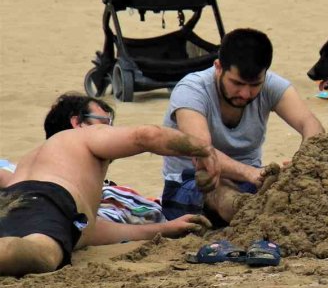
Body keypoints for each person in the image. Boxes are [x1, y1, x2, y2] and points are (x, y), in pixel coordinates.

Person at [0, 94, 219, 277]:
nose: (111, 129)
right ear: (78, 122)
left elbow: (86, 231)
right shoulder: (84, 136)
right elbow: (146, 135)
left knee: (24, 246)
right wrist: (203, 149)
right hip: (52, 197)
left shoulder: (35, 159)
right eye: (105, 121)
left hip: (10, 201)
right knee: (43, 254)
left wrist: (164, 229)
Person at [161, 27, 324, 225]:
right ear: (218, 67)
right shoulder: (191, 90)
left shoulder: (271, 85)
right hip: (192, 184)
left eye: (254, 85)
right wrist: (250, 173)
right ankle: (254, 218)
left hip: (251, 184)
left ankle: (260, 216)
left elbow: (310, 124)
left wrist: (305, 161)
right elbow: (203, 153)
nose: (245, 93)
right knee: (218, 189)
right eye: (237, 83)